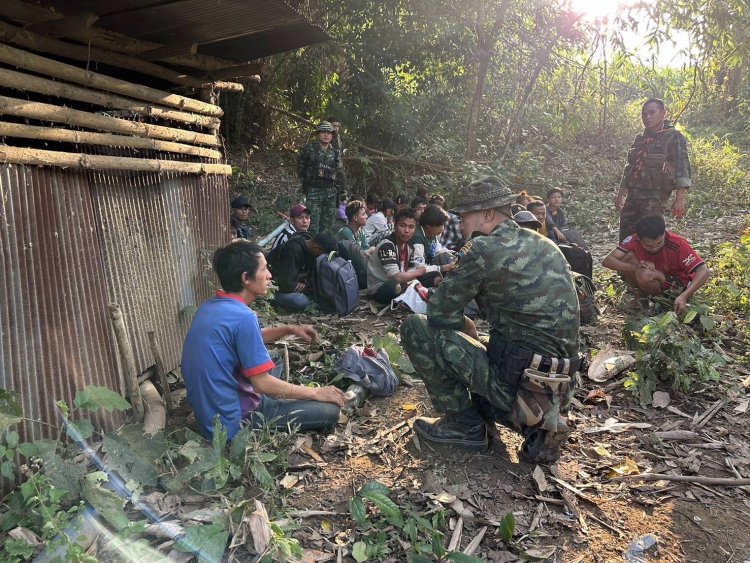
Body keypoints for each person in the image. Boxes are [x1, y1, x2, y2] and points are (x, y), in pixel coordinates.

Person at [399, 176, 581, 463]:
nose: (460, 225)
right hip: (559, 385)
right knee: (491, 343)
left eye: (464, 217)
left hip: (516, 378)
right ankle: (538, 420)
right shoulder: (546, 245)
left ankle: (465, 426)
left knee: (416, 328)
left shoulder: (483, 249)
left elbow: (439, 313)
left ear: (488, 214)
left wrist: (467, 327)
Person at [181, 240, 345, 441]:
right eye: (264, 269)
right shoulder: (244, 317)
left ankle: (269, 397)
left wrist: (289, 328)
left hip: (209, 412)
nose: (269, 275)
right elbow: (261, 383)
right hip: (235, 423)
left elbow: (246, 338)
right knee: (330, 411)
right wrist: (315, 392)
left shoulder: (210, 307)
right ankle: (266, 408)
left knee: (272, 358)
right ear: (246, 278)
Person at [615, 98, 691, 242]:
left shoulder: (673, 137)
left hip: (655, 198)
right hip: (633, 196)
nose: (647, 117)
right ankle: (628, 264)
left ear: (662, 113)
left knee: (651, 238)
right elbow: (630, 167)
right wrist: (621, 194)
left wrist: (679, 200)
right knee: (627, 238)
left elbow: (682, 167)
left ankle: (652, 265)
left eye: (652, 112)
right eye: (644, 114)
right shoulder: (640, 139)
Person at [602, 215, 709, 314]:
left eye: (659, 243)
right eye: (648, 245)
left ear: (664, 234)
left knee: (645, 274)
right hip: (652, 275)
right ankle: (641, 300)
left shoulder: (678, 243)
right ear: (639, 238)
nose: (654, 248)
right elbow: (607, 261)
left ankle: (661, 305)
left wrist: (684, 296)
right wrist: (635, 267)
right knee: (628, 257)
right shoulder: (633, 239)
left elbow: (703, 271)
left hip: (677, 285)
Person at [367, 208, 438, 304]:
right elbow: (396, 277)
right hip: (381, 287)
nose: (407, 231)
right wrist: (417, 272)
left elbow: (412, 269)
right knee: (395, 286)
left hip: (403, 281)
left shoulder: (410, 246)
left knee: (435, 276)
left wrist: (416, 272)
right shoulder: (387, 245)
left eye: (411, 227)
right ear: (395, 226)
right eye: (402, 226)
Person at [268, 231, 338, 311]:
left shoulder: (310, 247)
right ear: (316, 248)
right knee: (301, 301)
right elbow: (285, 285)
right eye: (322, 255)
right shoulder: (292, 250)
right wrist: (306, 287)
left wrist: (305, 283)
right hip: (272, 289)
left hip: (292, 282)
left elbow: (311, 273)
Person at [297, 121, 345, 235]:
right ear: (318, 133)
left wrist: (342, 191)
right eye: (323, 132)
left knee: (327, 227)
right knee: (312, 225)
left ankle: (323, 251)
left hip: (330, 193)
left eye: (329, 132)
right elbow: (301, 168)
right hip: (314, 191)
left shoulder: (336, 153)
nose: (326, 135)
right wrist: (307, 185)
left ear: (332, 135)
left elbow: (340, 173)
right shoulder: (309, 149)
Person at [337, 199, 373, 288]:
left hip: (358, 265)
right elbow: (354, 255)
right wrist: (371, 250)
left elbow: (365, 250)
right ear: (355, 218)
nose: (366, 216)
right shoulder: (345, 232)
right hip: (346, 269)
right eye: (363, 214)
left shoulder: (360, 231)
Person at [411, 204, 456, 276]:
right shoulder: (417, 237)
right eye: (438, 225)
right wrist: (442, 268)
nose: (442, 228)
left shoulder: (432, 234)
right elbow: (418, 267)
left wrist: (456, 254)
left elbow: (439, 250)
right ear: (428, 225)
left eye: (443, 224)